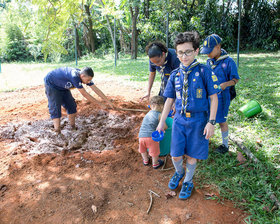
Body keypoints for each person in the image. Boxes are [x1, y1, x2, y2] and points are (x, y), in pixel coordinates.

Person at [156, 31, 219, 200]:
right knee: (176, 154)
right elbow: (169, 100)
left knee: (192, 155)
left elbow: (214, 98)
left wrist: (211, 122)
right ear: (176, 53)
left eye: (188, 51)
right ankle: (179, 172)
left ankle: (188, 181)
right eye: (180, 52)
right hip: (179, 120)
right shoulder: (175, 74)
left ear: (196, 51)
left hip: (198, 121)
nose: (184, 56)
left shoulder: (205, 71)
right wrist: (161, 122)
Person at [200, 34, 240, 154]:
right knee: (208, 118)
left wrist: (225, 84)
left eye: (209, 51)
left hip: (223, 97)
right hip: (210, 97)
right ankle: (205, 140)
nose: (207, 54)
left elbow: (235, 80)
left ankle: (225, 144)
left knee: (222, 120)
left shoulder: (228, 62)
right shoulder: (209, 61)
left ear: (218, 47)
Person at [44, 66, 114, 134]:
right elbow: (85, 94)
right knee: (55, 108)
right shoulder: (74, 76)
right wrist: (100, 104)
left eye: (90, 80)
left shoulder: (85, 76)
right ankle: (57, 132)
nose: (88, 82)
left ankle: (72, 127)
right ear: (82, 76)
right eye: (88, 80)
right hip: (52, 85)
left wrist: (108, 102)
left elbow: (95, 89)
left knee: (71, 105)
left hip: (63, 87)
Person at [138, 96, 167, 169]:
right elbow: (165, 127)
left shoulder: (147, 114)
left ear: (151, 105)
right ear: (162, 106)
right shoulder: (159, 115)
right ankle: (155, 163)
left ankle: (146, 160)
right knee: (154, 151)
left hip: (141, 136)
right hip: (151, 137)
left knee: (143, 149)